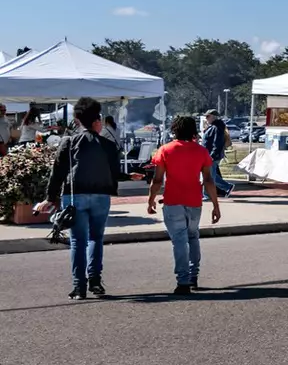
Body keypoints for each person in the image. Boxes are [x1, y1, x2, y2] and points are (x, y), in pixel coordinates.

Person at [37, 97, 132, 300]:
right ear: (97, 119)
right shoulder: (108, 144)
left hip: (74, 195)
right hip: (101, 196)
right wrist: (132, 175)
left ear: (77, 119)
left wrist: (50, 198)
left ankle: (79, 287)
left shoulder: (69, 142)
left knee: (77, 241)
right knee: (96, 238)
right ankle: (95, 280)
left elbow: (57, 173)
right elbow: (115, 172)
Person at [147, 116, 221, 295]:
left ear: (174, 130)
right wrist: (216, 205)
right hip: (194, 201)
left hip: (173, 201)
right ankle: (193, 275)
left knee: (179, 241)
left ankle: (183, 281)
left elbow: (157, 180)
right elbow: (209, 180)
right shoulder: (201, 151)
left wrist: (151, 200)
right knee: (193, 237)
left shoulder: (165, 150)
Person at [202, 111, 234, 197]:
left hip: (212, 156)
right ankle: (227, 187)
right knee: (210, 176)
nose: (206, 118)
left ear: (214, 117)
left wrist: (212, 155)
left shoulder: (217, 127)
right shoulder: (213, 127)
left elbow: (217, 143)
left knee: (209, 176)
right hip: (209, 155)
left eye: (208, 116)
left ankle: (207, 194)